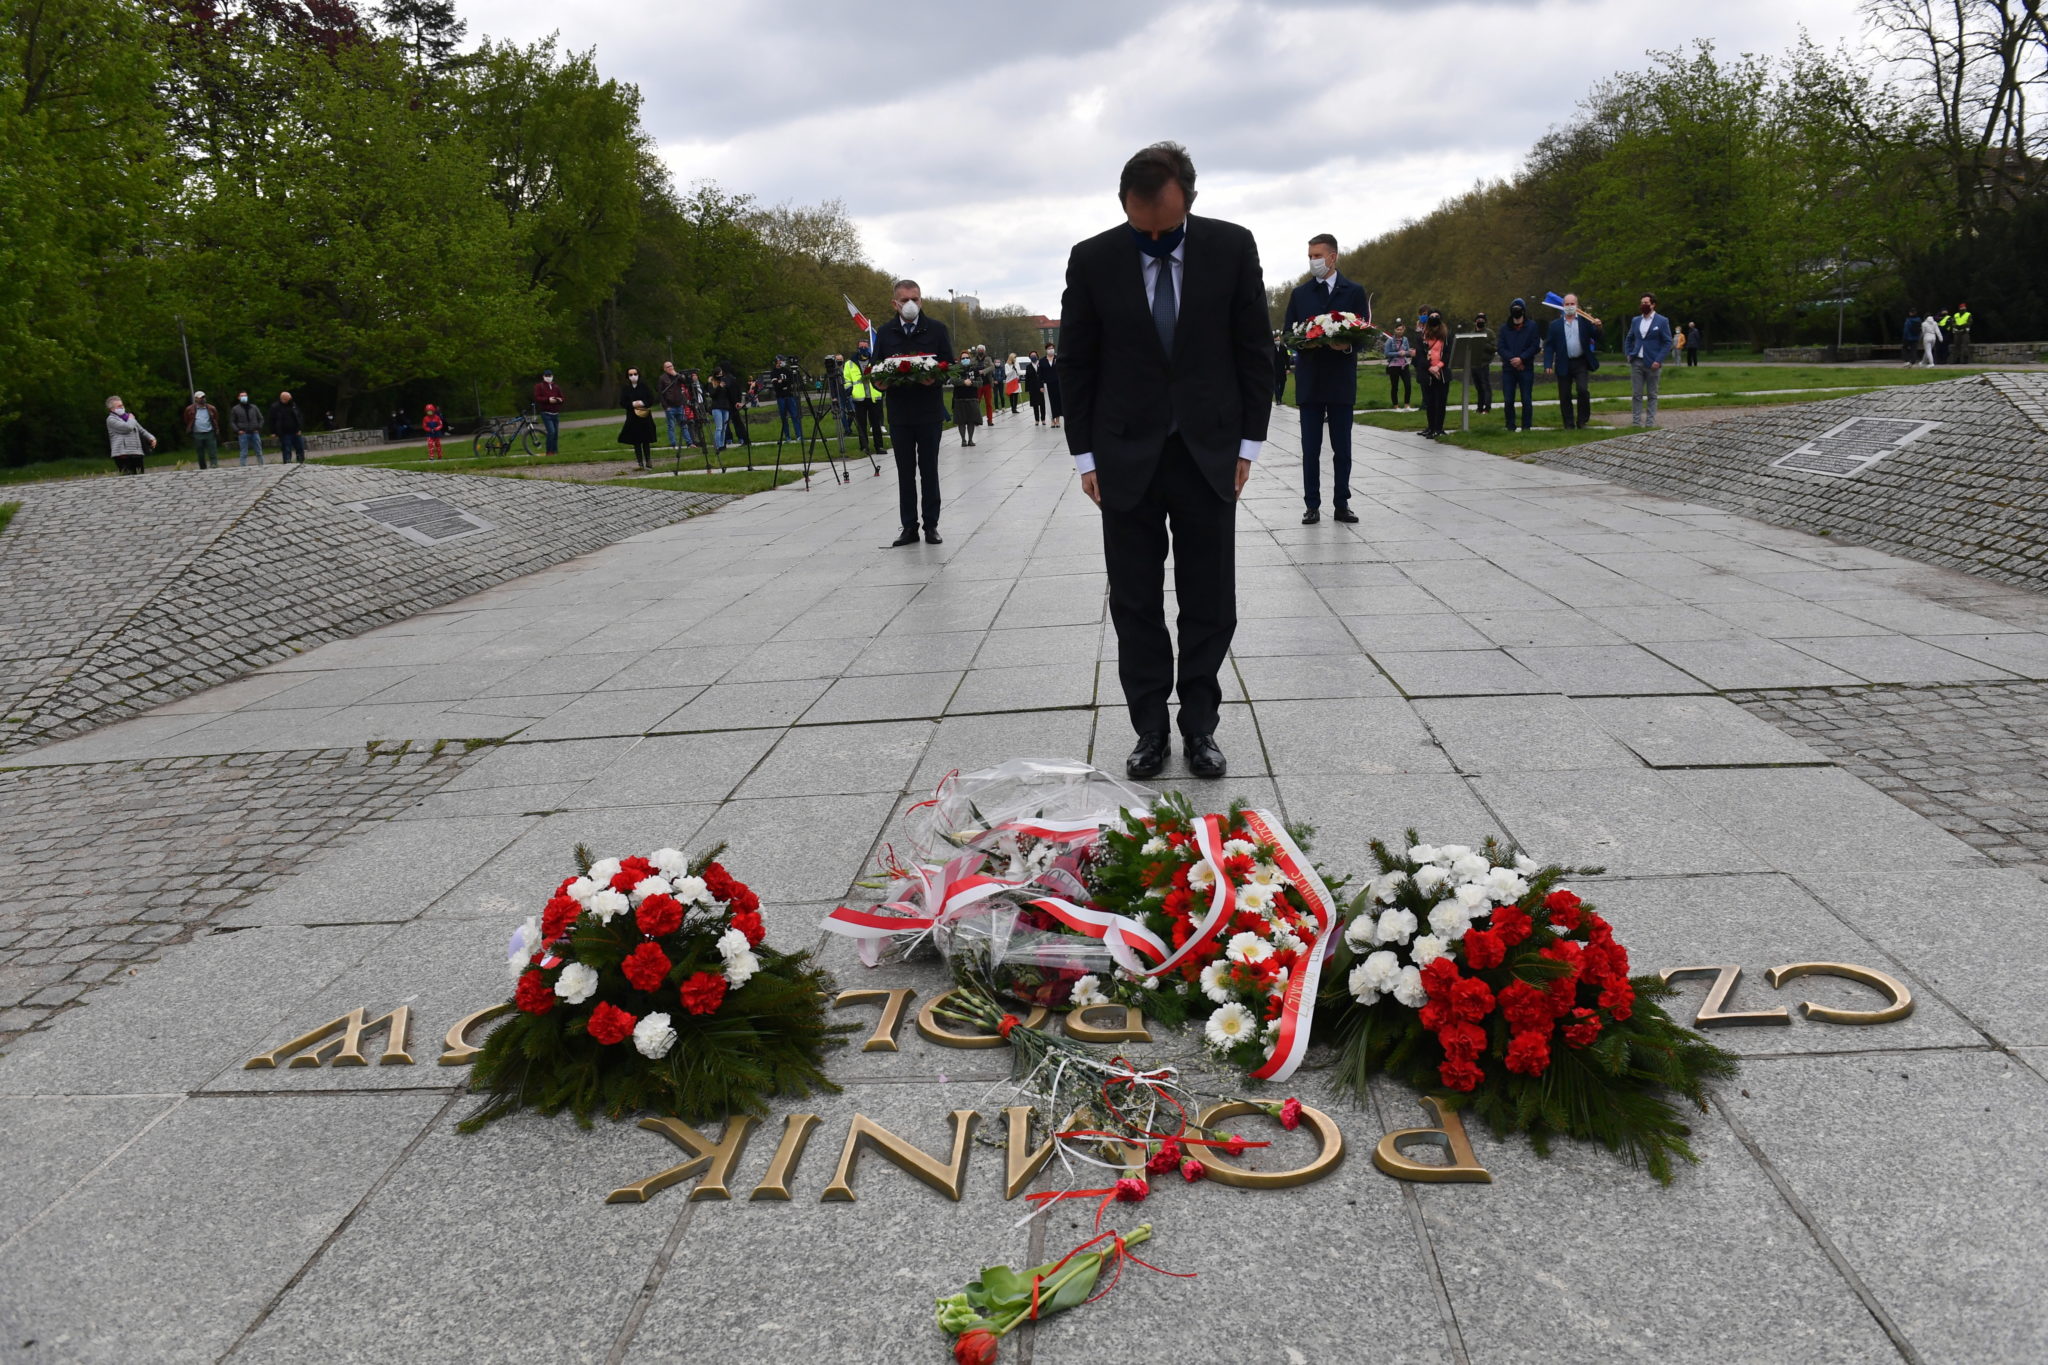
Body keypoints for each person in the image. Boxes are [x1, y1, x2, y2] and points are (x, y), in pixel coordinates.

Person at [1059, 140, 1268, 781]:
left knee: (1211, 598)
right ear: (1123, 205)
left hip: (1208, 453)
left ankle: (1200, 726)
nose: (1152, 239)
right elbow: (1077, 360)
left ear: (1190, 203)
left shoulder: (1231, 248)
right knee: (1135, 599)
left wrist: (1248, 445)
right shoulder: (1093, 259)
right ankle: (1149, 727)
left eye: (1165, 228)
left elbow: (1254, 349)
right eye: (1140, 227)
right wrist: (1085, 455)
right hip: (1124, 457)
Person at [1281, 232, 1367, 523]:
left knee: (1342, 448)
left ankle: (1341, 503)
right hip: (1311, 380)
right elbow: (1289, 336)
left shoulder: (1353, 291)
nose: (1313, 261)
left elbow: (1364, 333)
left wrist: (1348, 344)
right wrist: (1309, 342)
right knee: (1310, 449)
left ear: (1333, 257)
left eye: (1317, 256)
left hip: (1341, 380)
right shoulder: (1300, 294)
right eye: (1310, 257)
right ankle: (1311, 504)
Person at [871, 279, 954, 546]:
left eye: (915, 299)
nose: (910, 304)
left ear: (921, 301)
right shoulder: (885, 333)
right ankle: (909, 527)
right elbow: (875, 367)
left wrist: (936, 379)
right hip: (899, 414)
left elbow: (948, 365)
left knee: (929, 470)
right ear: (894, 303)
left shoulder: (937, 329)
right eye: (904, 299)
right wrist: (877, 382)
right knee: (905, 473)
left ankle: (931, 525)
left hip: (928, 412)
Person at [1542, 295, 1603, 430]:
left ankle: (1582, 421)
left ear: (1577, 305)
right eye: (1567, 304)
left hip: (1580, 362)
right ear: (1563, 306)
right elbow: (1549, 346)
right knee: (1565, 394)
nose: (1570, 306)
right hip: (1563, 362)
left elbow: (1597, 337)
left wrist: (1598, 327)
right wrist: (1547, 364)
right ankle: (1568, 424)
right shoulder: (1555, 325)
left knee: (1582, 390)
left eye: (1572, 303)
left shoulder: (1585, 321)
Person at [1622, 293, 1675, 428]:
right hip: (1636, 361)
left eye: (1646, 303)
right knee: (1636, 394)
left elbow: (1667, 342)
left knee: (1652, 394)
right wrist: (1628, 353)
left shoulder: (1662, 321)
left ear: (1653, 304)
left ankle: (1650, 422)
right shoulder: (1635, 321)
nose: (1643, 305)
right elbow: (1629, 338)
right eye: (1642, 303)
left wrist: (1659, 359)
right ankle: (1636, 422)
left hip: (1653, 363)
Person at [1496, 300, 1540, 431]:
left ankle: (1526, 426)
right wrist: (1512, 359)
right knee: (1508, 399)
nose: (1516, 310)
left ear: (1523, 310)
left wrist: (1522, 359)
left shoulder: (1532, 326)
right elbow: (1501, 348)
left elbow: (1534, 346)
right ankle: (1510, 425)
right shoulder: (1504, 329)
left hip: (1526, 368)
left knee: (1526, 399)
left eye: (1519, 308)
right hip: (1509, 369)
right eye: (1514, 308)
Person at [844, 347, 887, 454]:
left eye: (865, 346)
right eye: (861, 347)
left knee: (876, 424)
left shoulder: (875, 361)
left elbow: (882, 375)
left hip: (874, 397)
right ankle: (864, 447)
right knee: (861, 424)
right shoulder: (849, 363)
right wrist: (849, 389)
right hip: (859, 398)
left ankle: (879, 446)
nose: (864, 349)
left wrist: (882, 388)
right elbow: (846, 379)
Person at [1417, 312, 1450, 439]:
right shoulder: (1422, 337)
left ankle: (1439, 428)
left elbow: (1448, 353)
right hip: (1428, 373)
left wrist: (1439, 366)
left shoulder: (1446, 336)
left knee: (1441, 401)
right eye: (1432, 317)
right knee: (1430, 402)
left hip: (1442, 372)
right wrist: (1430, 367)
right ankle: (1431, 427)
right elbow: (1420, 355)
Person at [105, 395, 154, 475]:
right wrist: (131, 418)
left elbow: (141, 430)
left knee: (140, 476)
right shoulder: (111, 419)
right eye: (119, 406)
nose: (122, 407)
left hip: (136, 452)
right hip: (123, 454)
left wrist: (151, 438)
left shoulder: (128, 417)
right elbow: (128, 427)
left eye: (122, 405)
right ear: (112, 409)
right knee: (127, 478)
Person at [619, 366, 657, 469]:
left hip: (644, 416)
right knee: (636, 441)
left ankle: (648, 460)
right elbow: (622, 402)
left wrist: (643, 403)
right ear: (627, 376)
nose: (633, 376)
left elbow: (651, 399)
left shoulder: (644, 386)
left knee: (646, 440)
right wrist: (631, 404)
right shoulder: (626, 389)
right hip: (632, 417)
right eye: (630, 375)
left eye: (635, 374)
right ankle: (640, 462)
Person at [180, 390, 221, 470]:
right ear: (196, 399)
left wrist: (215, 428)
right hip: (197, 433)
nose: (203, 399)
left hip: (209, 432)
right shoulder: (189, 409)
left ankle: (214, 465)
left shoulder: (211, 408)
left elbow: (215, 418)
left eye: (204, 397)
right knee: (200, 453)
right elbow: (186, 420)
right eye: (200, 398)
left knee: (212, 451)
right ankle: (203, 467)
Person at [658, 361, 694, 450]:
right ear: (664, 369)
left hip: (679, 405)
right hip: (670, 406)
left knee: (684, 425)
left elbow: (686, 382)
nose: (670, 368)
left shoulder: (677, 376)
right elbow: (660, 393)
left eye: (671, 366)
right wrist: (665, 406)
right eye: (668, 367)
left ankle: (689, 443)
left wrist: (676, 375)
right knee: (671, 426)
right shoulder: (662, 378)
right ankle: (673, 444)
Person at [951, 350, 982, 447]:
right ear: (960, 360)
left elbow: (980, 383)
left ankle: (970, 440)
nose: (965, 359)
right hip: (959, 398)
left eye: (967, 358)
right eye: (963, 358)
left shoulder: (975, 369)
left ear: (970, 359)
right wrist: (963, 382)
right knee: (961, 421)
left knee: (971, 421)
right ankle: (963, 440)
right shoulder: (956, 369)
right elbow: (952, 380)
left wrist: (972, 383)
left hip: (972, 398)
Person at [533, 368, 566, 453]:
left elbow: (562, 397)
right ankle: (549, 451)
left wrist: (558, 400)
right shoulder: (539, 386)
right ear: (543, 376)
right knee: (551, 432)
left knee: (555, 434)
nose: (548, 377)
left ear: (552, 376)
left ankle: (555, 451)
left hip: (555, 413)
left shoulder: (556, 386)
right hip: (546, 413)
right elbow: (537, 398)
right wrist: (548, 400)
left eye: (550, 376)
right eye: (546, 376)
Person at [770, 355, 802, 440]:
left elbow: (790, 381)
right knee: (784, 417)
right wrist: (782, 383)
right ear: (778, 361)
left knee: (795, 415)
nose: (783, 362)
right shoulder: (773, 372)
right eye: (782, 360)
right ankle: (787, 436)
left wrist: (782, 382)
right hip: (780, 397)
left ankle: (799, 435)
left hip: (789, 396)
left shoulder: (787, 371)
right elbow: (776, 385)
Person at [1383, 322, 1414, 411]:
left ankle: (1407, 405)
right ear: (1395, 330)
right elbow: (1386, 353)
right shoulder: (1390, 340)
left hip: (1404, 365)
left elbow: (1407, 351)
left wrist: (1408, 352)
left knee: (1408, 385)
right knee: (1395, 386)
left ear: (1404, 330)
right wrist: (1398, 353)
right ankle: (1396, 406)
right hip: (1393, 366)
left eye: (1401, 329)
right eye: (1398, 329)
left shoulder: (1405, 339)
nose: (1399, 331)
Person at [1468, 313, 1494, 413]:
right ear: (1475, 322)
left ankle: (1487, 407)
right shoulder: (1471, 333)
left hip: (1484, 364)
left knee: (1485, 386)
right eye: (1478, 320)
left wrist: (1484, 343)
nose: (1480, 321)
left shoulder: (1489, 333)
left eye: (1482, 320)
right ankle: (1479, 407)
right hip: (1473, 364)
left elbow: (1494, 348)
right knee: (1478, 387)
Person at [229, 390, 264, 464]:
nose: (244, 397)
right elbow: (232, 421)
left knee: (259, 451)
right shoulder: (235, 409)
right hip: (243, 433)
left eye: (245, 396)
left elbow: (261, 418)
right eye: (242, 396)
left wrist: (258, 428)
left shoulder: (254, 407)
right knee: (244, 452)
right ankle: (243, 467)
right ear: (238, 397)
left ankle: (262, 465)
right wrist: (237, 430)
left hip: (254, 432)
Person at [270, 391, 306, 462]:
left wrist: (299, 428)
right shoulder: (275, 407)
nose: (290, 399)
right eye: (288, 398)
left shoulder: (293, 405)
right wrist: (273, 432)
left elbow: (299, 416)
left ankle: (301, 463)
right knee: (286, 449)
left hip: (296, 431)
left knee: (300, 448)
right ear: (283, 399)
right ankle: (287, 463)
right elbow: (271, 420)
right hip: (284, 433)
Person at [1024, 349, 1049, 424]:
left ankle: (1043, 419)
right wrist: (1027, 389)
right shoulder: (1028, 366)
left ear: (1037, 356)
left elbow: (1045, 375)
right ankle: (1037, 420)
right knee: (1035, 405)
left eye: (1034, 355)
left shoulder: (1041, 364)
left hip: (1041, 387)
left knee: (1042, 404)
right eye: (1031, 356)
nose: (1033, 357)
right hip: (1033, 388)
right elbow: (1027, 378)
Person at [1043, 343, 1064, 429]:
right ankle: (1052, 420)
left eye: (1052, 348)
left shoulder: (1058, 359)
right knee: (1049, 403)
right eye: (1049, 348)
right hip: (1047, 385)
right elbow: (1040, 374)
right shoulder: (1042, 361)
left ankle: (1058, 420)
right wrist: (1041, 386)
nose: (1051, 350)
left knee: (1057, 402)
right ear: (1046, 350)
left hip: (1057, 384)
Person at [975, 345, 997, 424]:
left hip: (987, 384)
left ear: (984, 351)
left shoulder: (988, 358)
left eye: (982, 349)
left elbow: (992, 367)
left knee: (988, 403)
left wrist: (984, 371)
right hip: (977, 384)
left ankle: (990, 420)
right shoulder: (974, 359)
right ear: (977, 350)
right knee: (976, 403)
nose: (980, 351)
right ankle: (977, 420)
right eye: (979, 349)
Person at [1270, 329, 1290, 404]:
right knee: (1275, 385)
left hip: (1282, 369)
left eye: (1278, 340)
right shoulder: (1271, 348)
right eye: (1276, 340)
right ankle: (1278, 400)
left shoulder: (1283, 348)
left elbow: (1287, 359)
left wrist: (1288, 368)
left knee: (1282, 384)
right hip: (1274, 369)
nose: (1277, 341)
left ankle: (1280, 398)